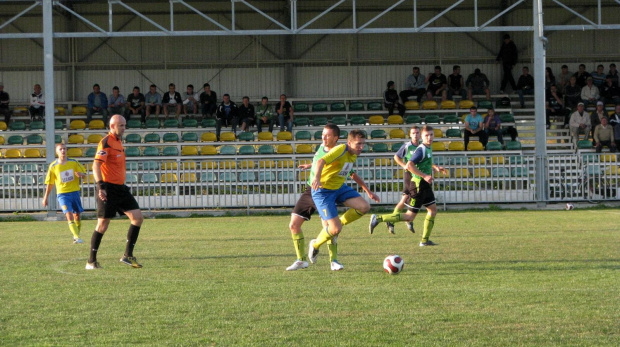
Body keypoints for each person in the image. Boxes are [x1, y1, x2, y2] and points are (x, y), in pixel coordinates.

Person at [287, 124, 375, 271]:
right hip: (317, 189)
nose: (323, 137)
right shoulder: (332, 149)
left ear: (336, 138)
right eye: (323, 134)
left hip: (335, 188)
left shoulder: (347, 152)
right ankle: (302, 259)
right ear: (349, 142)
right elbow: (321, 161)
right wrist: (313, 170)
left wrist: (368, 190)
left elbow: (347, 171)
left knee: (357, 211)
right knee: (294, 225)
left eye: (327, 135)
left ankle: (333, 259)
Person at [369, 125, 447, 247]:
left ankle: (425, 240)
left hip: (425, 185)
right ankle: (378, 218)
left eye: (431, 135)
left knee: (432, 210)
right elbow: (410, 165)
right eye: (426, 135)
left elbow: (426, 161)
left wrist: (435, 167)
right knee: (409, 217)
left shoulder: (428, 147)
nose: (429, 137)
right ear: (422, 136)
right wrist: (424, 175)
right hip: (418, 185)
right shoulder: (421, 149)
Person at [87, 114, 144, 270]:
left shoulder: (118, 142)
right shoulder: (106, 143)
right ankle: (91, 261)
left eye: (125, 125)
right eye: (121, 126)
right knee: (103, 225)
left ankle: (127, 255)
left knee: (137, 218)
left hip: (121, 188)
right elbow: (96, 166)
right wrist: (101, 187)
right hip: (108, 189)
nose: (124, 128)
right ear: (112, 126)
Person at [42, 143, 87, 244]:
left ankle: (76, 236)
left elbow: (84, 174)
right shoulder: (53, 166)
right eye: (60, 149)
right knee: (69, 214)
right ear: (57, 152)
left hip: (74, 192)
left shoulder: (74, 162)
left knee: (77, 215)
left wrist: (81, 175)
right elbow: (50, 183)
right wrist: (45, 197)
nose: (63, 151)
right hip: (62, 194)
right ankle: (77, 236)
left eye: (64, 149)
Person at [382, 126, 421, 234]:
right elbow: (396, 157)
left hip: (418, 176)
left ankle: (398, 219)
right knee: (407, 197)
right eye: (414, 133)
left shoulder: (421, 146)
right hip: (410, 175)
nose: (416, 135)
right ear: (410, 134)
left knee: (406, 199)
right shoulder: (407, 146)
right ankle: (400, 219)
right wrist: (404, 165)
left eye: (417, 132)